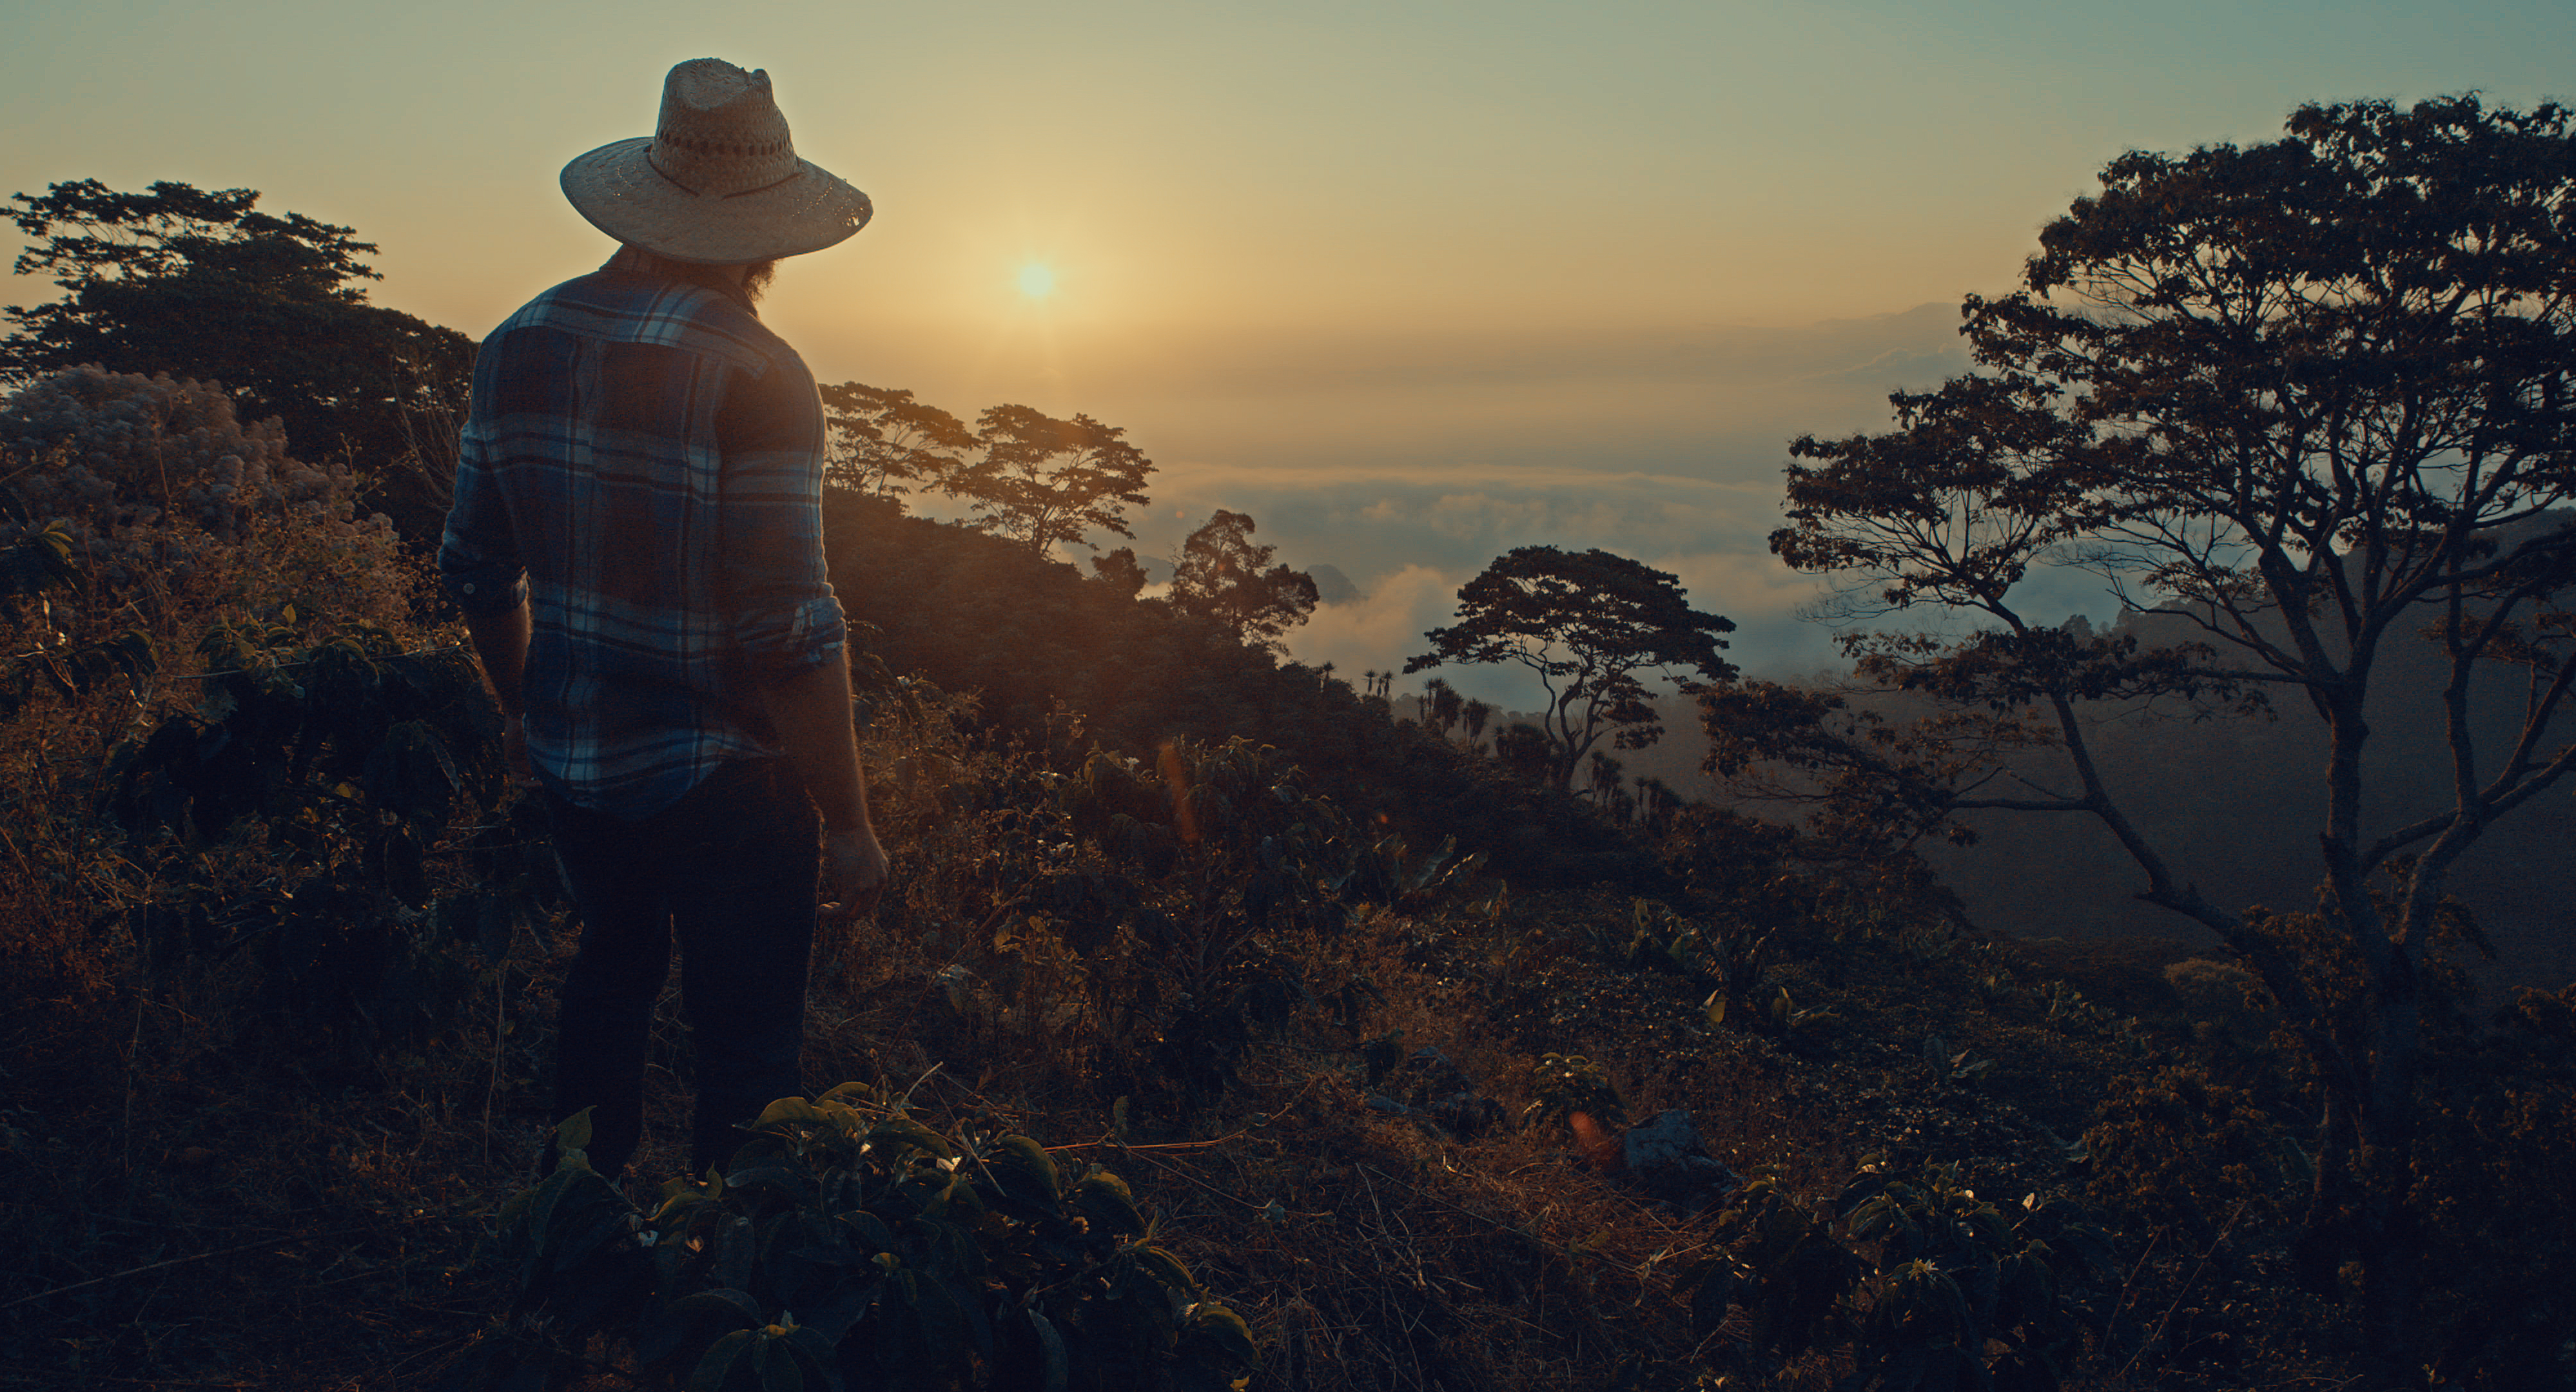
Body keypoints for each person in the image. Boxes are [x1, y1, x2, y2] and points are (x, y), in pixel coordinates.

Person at [440, 58, 889, 1183]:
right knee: (747, 1047)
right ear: (769, 236)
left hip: (576, 758)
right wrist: (849, 822)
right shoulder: (759, 372)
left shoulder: (516, 343)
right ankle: (729, 1309)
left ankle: (579, 1241)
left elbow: (479, 571)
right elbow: (790, 626)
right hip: (727, 779)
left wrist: (519, 705)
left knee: (610, 976)